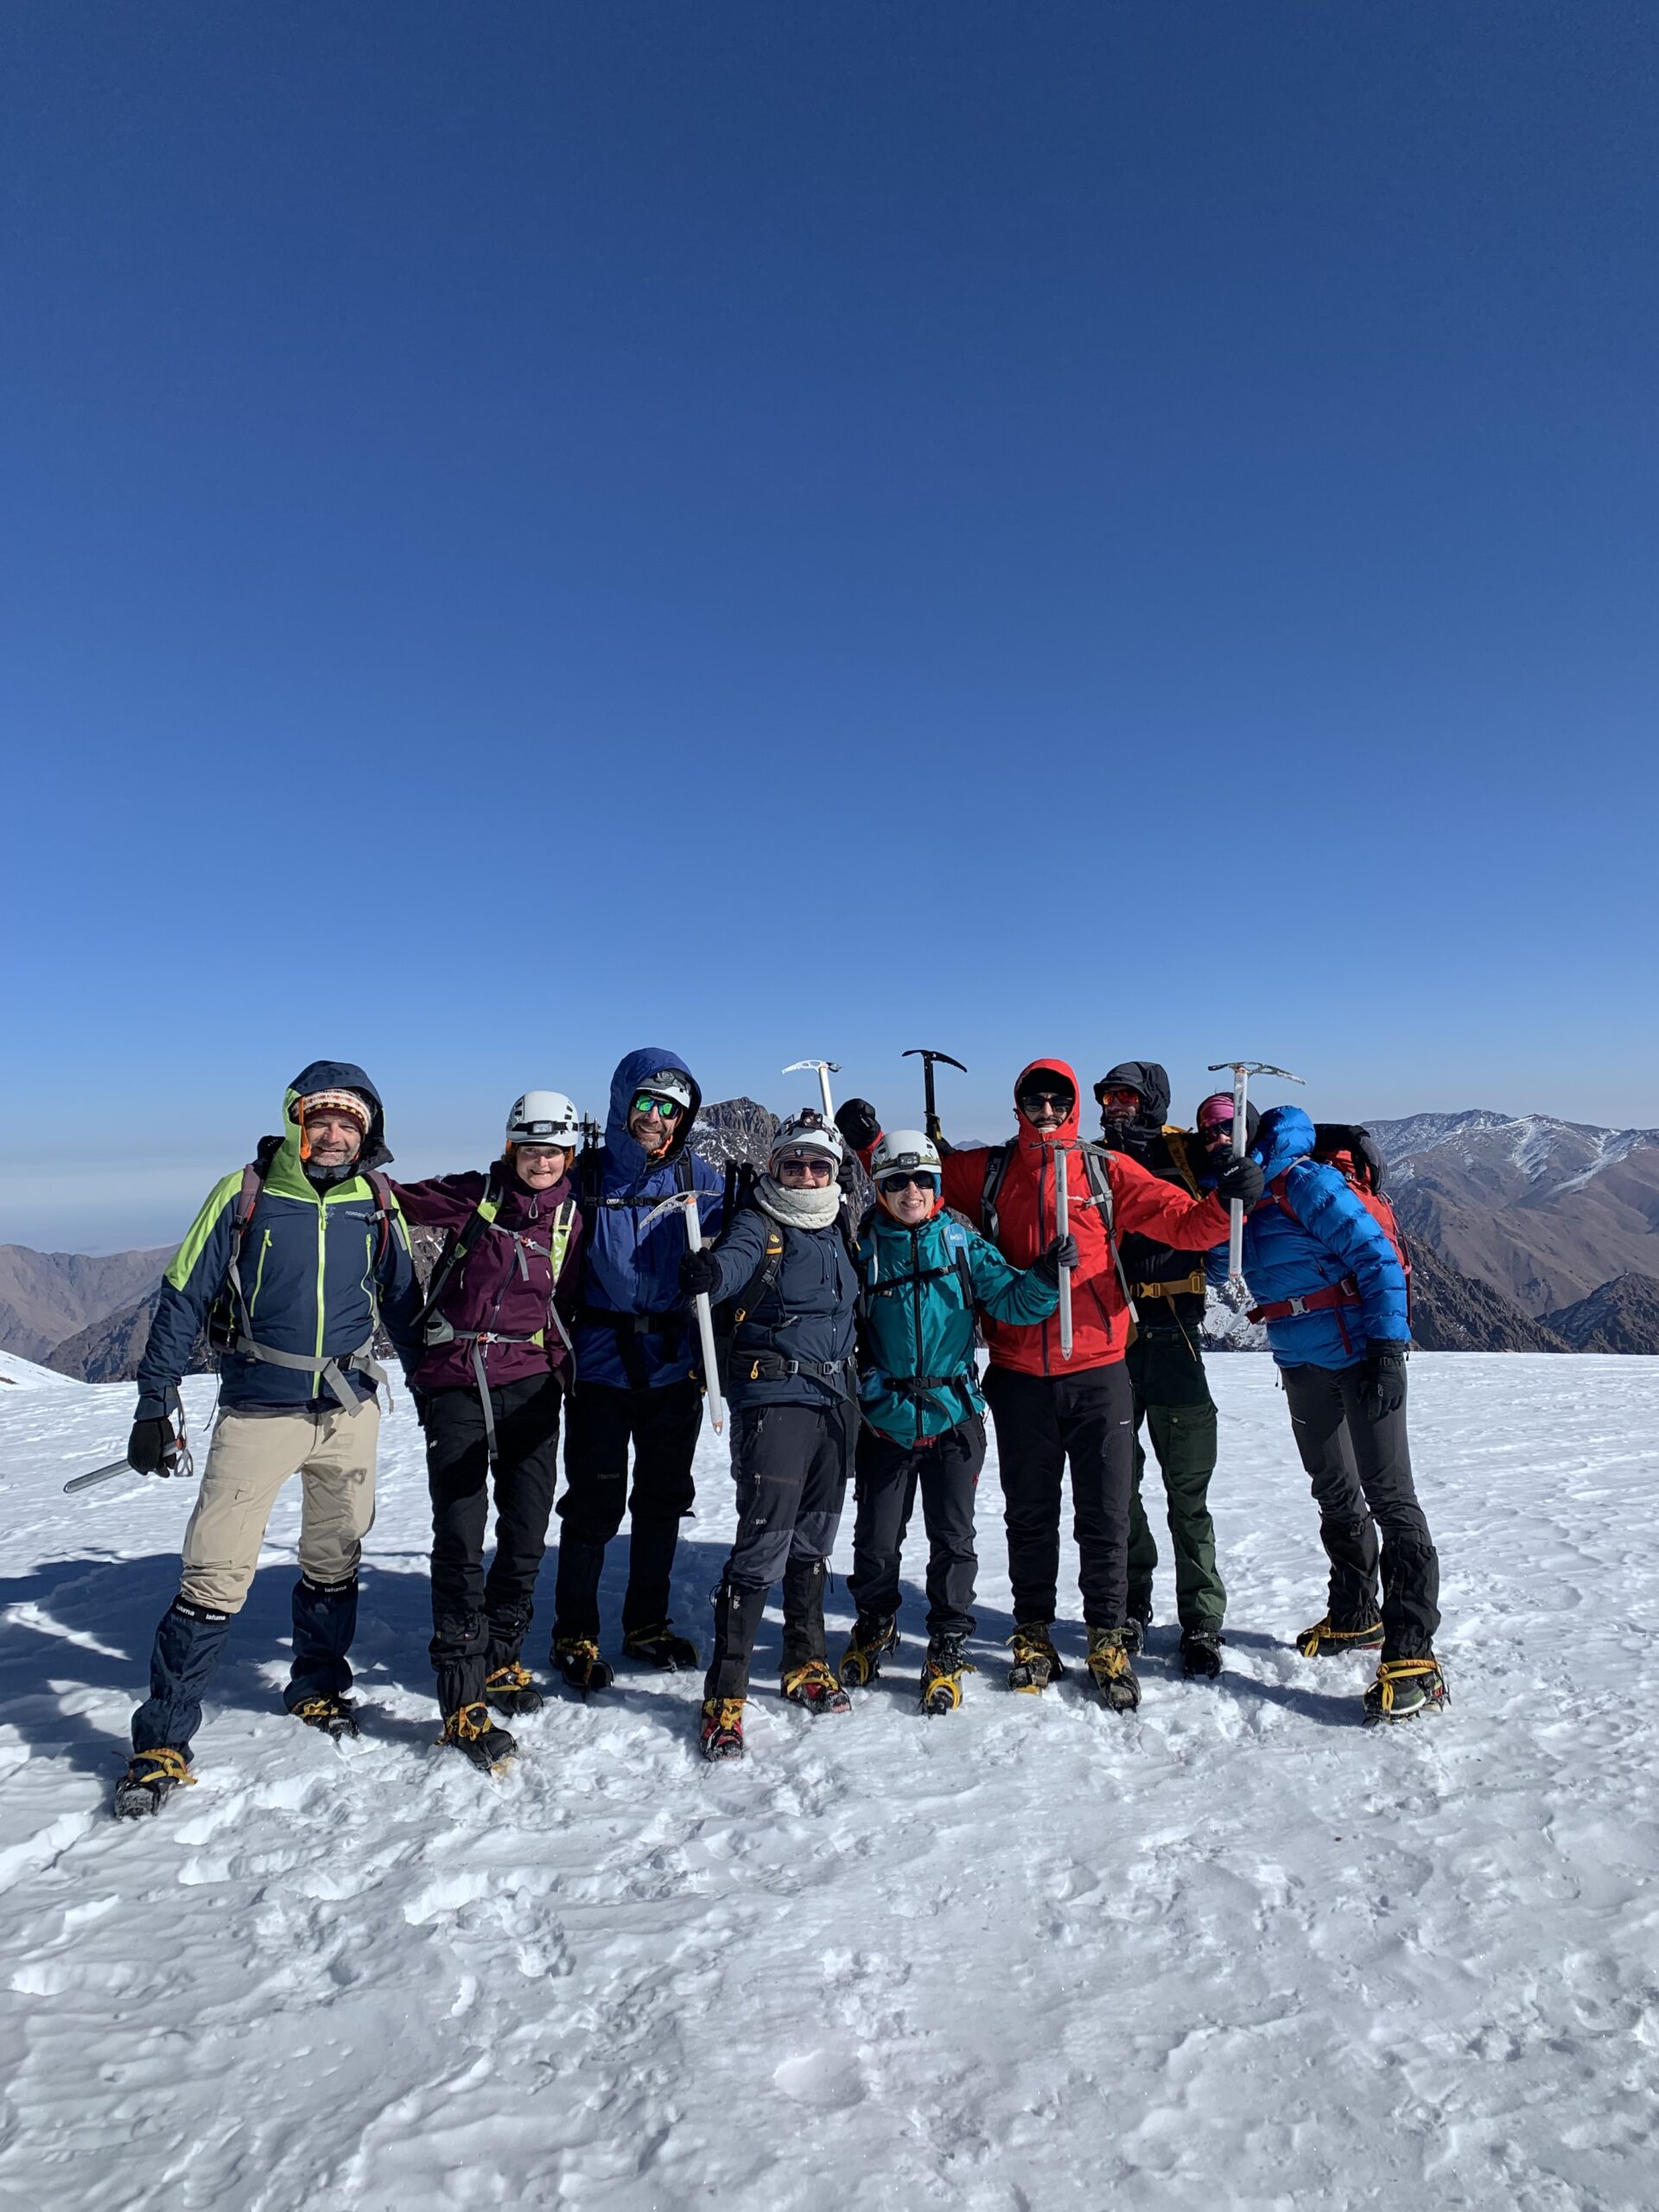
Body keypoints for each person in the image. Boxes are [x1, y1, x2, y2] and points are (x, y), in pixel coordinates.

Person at [838, 1061, 1261, 1713]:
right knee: (1029, 1516)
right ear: (1019, 1105)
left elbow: (1184, 1224)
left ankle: (1107, 1636)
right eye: (1034, 1098)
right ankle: (1033, 1632)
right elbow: (914, 1179)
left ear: (1072, 1106)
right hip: (1019, 1375)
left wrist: (1233, 1199)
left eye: (1058, 1098)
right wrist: (868, 1141)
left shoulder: (1105, 1171)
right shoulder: (995, 1169)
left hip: (1098, 1370)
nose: (1046, 1108)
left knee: (1106, 1515)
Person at [115, 1063, 423, 1817]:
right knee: (214, 1570)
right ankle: (162, 1741)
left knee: (335, 1554)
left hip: (348, 1410)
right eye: (322, 1119)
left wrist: (437, 1395)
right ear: (297, 1121)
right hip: (258, 1410)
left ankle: (318, 1685)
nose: (335, 1134)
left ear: (368, 1133)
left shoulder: (376, 1201)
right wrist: (155, 1403)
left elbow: (404, 1302)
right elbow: (183, 1295)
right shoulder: (244, 1193)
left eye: (349, 1123)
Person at [837, 1130, 1070, 1712]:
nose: (911, 1191)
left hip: (953, 1415)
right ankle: (875, 1619)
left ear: (937, 1185)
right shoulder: (864, 1251)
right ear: (880, 1188)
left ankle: (947, 1637)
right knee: (877, 1537)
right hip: (885, 1419)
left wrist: (1045, 1277)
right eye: (896, 1181)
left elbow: (1012, 1302)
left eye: (922, 1179)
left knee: (953, 1538)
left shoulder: (962, 1246)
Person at [394, 1091, 585, 1771]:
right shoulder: (476, 1195)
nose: (542, 1162)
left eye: (553, 1152)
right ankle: (461, 1691)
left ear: (569, 1155)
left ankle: (503, 1657)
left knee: (527, 1530)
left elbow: (573, 1300)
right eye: (531, 1149)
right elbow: (397, 1201)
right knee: (460, 1534)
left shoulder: (570, 1219)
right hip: (456, 1380)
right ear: (512, 1149)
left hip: (530, 1382)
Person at [1240, 1103, 1446, 1722]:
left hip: (1361, 1353)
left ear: (1253, 1133)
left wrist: (1387, 1348)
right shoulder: (1238, 1194)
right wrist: (1229, 1201)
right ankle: (1357, 1614)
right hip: (1300, 1360)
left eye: (1230, 1129)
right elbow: (1213, 1256)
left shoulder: (1305, 1180)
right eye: (1211, 1131)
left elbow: (1377, 1258)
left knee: (1390, 1496)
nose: (1220, 1139)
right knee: (1334, 1489)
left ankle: (1414, 1656)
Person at [680, 1110, 860, 1760]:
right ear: (774, 1168)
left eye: (818, 1165)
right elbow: (735, 1262)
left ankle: (804, 1661)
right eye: (793, 1164)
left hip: (836, 1401)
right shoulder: (760, 1222)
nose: (805, 1175)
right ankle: (726, 1693)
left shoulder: (839, 1223)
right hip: (775, 1398)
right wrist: (712, 1275)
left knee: (813, 1539)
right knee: (764, 1545)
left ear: (833, 1173)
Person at [551, 1049, 723, 1692]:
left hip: (673, 1366)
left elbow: (742, 1237)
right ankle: (575, 1630)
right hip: (600, 1366)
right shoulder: (587, 1176)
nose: (657, 1118)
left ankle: (646, 1623)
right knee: (594, 1500)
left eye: (671, 1109)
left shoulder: (698, 1177)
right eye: (647, 1103)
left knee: (661, 1499)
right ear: (624, 1102)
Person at [1094, 1062, 1230, 1678]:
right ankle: (1131, 1603)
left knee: (1187, 1493)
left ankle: (1201, 1619)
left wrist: (1239, 1159)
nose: (1115, 1105)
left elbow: (1252, 1147)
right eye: (1107, 1097)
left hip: (1175, 1336)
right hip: (1112, 1338)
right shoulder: (1090, 1160)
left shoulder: (1188, 1153)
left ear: (1151, 1100)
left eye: (1127, 1095)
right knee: (1117, 1486)